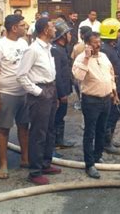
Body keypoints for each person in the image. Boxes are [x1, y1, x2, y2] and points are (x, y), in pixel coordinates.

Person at [17, 18, 61, 185]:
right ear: (44, 30)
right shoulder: (33, 50)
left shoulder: (48, 48)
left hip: (51, 88)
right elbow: (21, 75)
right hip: (40, 92)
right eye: (52, 27)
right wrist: (38, 92)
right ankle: (34, 172)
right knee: (38, 133)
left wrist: (53, 93)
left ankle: (45, 164)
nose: (55, 29)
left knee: (50, 130)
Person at [72, 31, 119, 179]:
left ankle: (98, 155)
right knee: (90, 132)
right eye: (94, 42)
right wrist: (86, 57)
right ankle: (89, 164)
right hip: (91, 101)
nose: (98, 45)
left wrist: (114, 92)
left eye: (99, 42)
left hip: (106, 99)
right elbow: (78, 77)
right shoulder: (81, 59)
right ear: (87, 44)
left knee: (101, 129)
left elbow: (111, 75)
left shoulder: (104, 56)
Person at [0, 15, 29, 180]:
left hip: (24, 93)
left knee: (24, 127)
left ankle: (25, 159)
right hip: (7, 94)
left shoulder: (24, 43)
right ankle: (3, 164)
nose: (25, 28)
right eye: (22, 25)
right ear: (14, 28)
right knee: (4, 129)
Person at [99, 19, 120, 155]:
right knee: (110, 116)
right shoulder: (105, 50)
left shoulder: (110, 47)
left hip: (118, 87)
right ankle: (106, 143)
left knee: (115, 115)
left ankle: (109, 139)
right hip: (112, 89)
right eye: (118, 31)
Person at [51, 20, 76, 152]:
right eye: (68, 33)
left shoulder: (62, 49)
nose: (70, 36)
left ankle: (59, 140)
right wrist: (62, 94)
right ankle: (55, 143)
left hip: (64, 90)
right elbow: (57, 75)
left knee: (61, 116)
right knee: (57, 117)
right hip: (59, 93)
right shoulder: (56, 50)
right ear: (62, 36)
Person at [71, 26, 93, 111]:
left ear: (83, 35)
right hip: (91, 74)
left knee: (80, 91)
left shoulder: (77, 47)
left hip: (80, 73)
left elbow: (73, 60)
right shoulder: (97, 46)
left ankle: (81, 103)